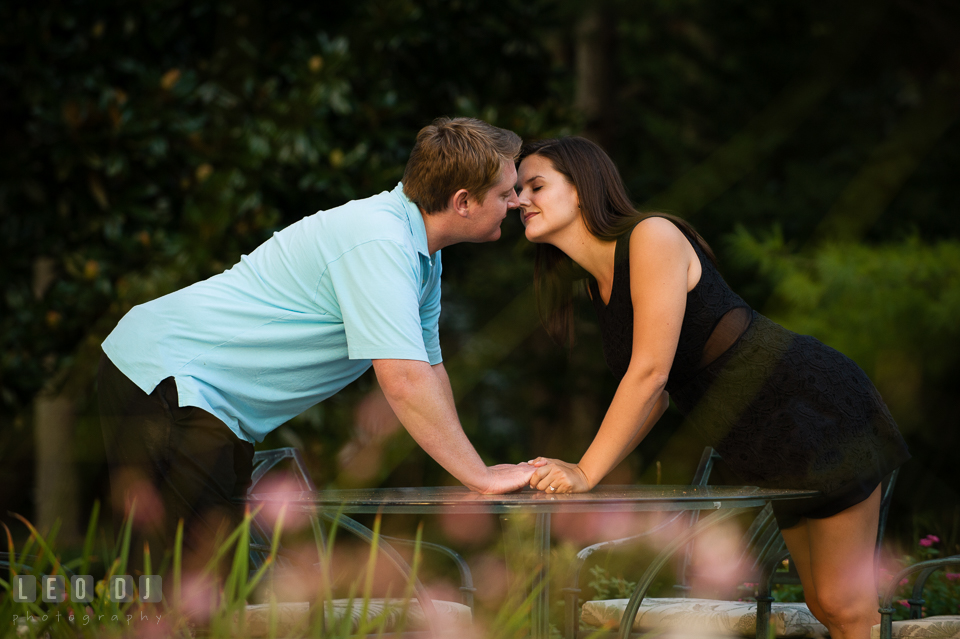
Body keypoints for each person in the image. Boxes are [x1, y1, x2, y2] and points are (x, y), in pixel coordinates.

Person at [98, 117, 536, 576]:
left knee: (216, 583)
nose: (516, 201)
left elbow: (428, 370)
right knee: (191, 584)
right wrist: (480, 477)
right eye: (507, 191)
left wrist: (473, 472)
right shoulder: (380, 242)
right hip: (166, 374)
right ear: (463, 201)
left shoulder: (421, 254)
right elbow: (403, 381)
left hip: (208, 402)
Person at [516, 136, 910, 639]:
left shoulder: (650, 237)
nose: (520, 200)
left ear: (581, 189)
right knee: (824, 604)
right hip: (766, 441)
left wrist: (586, 471)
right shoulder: (598, 282)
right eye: (517, 190)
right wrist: (583, 470)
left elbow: (649, 373)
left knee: (846, 605)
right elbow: (657, 393)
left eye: (536, 185)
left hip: (812, 409)